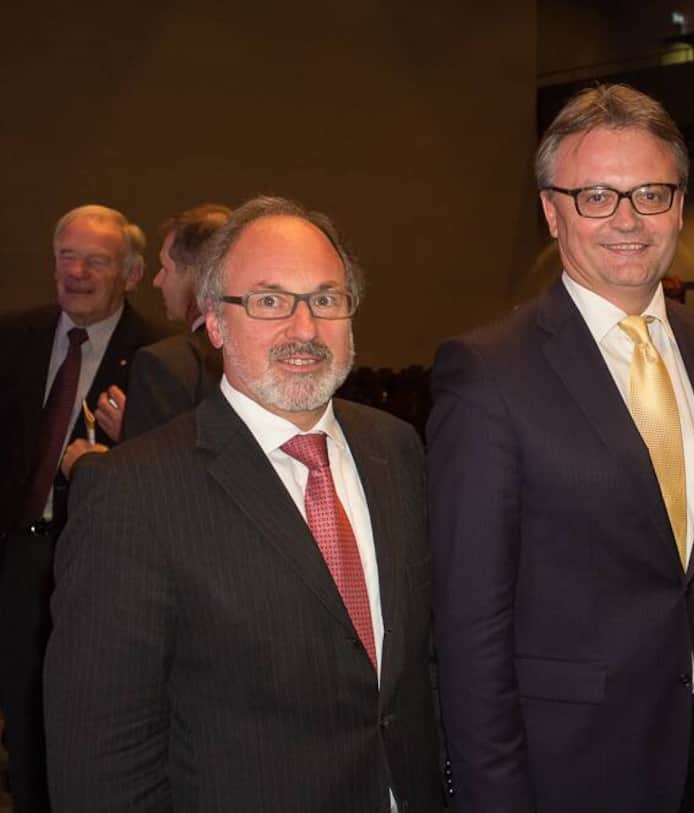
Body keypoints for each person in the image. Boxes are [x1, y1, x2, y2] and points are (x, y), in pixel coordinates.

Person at [428, 84, 694, 813]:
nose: (627, 220)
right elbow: (469, 621)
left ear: (678, 204)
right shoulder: (487, 372)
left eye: (649, 193)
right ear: (552, 211)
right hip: (569, 766)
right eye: (595, 196)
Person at [43, 196, 444, 812]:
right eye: (268, 301)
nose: (304, 329)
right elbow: (102, 759)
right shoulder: (133, 494)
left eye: (325, 299)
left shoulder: (397, 449)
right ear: (214, 321)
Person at [0, 204, 164, 812]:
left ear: (132, 272)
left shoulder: (158, 357)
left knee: (72, 727)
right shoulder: (14, 336)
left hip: (95, 567)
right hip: (16, 555)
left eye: (96, 260)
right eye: (67, 256)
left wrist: (127, 442)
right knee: (19, 718)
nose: (77, 271)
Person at [123, 203, 231, 438]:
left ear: (196, 274)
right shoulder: (265, 350)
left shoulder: (164, 364)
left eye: (165, 268)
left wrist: (88, 461)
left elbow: (152, 470)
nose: (157, 281)